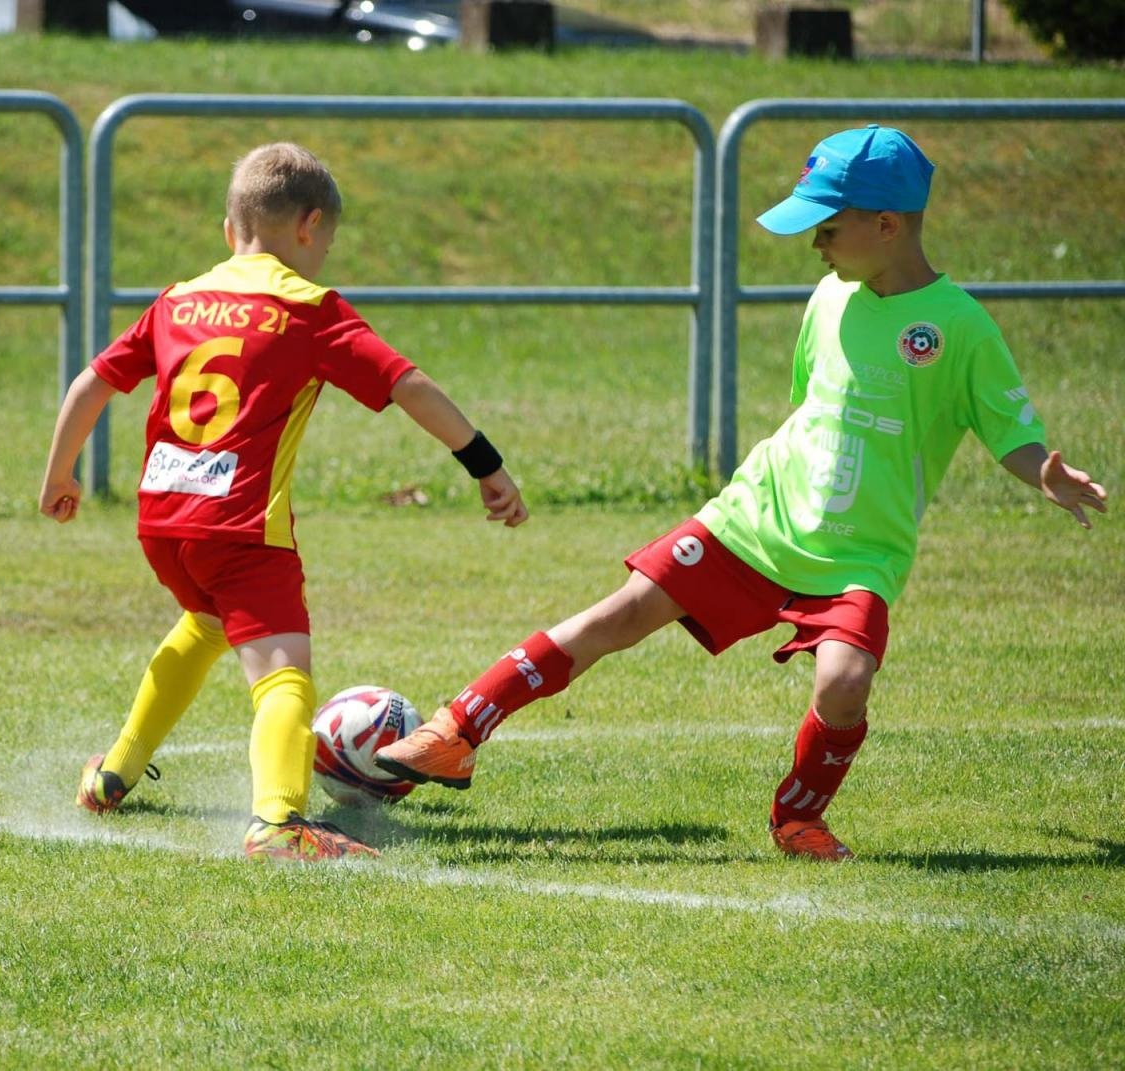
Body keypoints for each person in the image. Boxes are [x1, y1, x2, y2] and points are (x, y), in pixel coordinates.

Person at [374, 125, 1107, 861]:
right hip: (755, 519)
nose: (815, 244)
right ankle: (456, 730)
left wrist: (1042, 469)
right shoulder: (829, 298)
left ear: (887, 225)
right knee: (620, 614)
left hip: (862, 551)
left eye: (827, 227)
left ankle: (798, 816)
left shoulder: (963, 328)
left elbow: (1009, 429)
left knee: (845, 683)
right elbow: (809, 408)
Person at [40, 142, 529, 862]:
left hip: (163, 520)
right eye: (327, 240)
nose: (325, 254)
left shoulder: (178, 300)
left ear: (227, 229)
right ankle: (278, 822)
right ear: (308, 225)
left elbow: (91, 383)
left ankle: (114, 772)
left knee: (204, 623)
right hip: (240, 524)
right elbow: (409, 386)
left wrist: (61, 474)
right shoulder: (307, 308)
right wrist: (485, 464)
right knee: (283, 673)